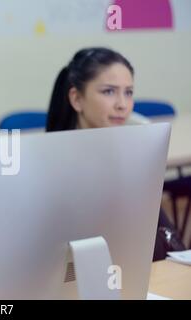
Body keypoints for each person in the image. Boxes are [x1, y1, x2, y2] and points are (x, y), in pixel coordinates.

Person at [46, 47, 185, 261]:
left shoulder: (129, 162)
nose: (122, 104)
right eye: (109, 91)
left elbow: (167, 246)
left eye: (128, 92)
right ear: (76, 99)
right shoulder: (54, 169)